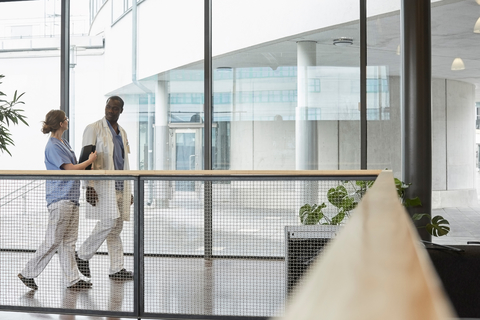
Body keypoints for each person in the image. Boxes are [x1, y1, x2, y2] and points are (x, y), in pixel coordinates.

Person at [18, 109, 97, 290]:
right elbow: (69, 168)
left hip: (72, 198)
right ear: (61, 123)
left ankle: (73, 279)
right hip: (61, 199)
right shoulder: (53, 146)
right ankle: (28, 272)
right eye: (66, 119)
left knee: (69, 242)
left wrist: (85, 163)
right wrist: (89, 161)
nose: (68, 121)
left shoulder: (64, 142)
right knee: (53, 240)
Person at [76, 96, 133, 281]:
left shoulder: (122, 132)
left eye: (115, 108)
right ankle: (82, 254)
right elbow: (85, 158)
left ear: (121, 111)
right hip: (102, 186)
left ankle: (117, 269)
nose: (110, 111)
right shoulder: (93, 128)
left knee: (116, 228)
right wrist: (88, 186)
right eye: (108, 107)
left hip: (120, 186)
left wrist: (127, 190)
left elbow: (123, 162)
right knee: (108, 222)